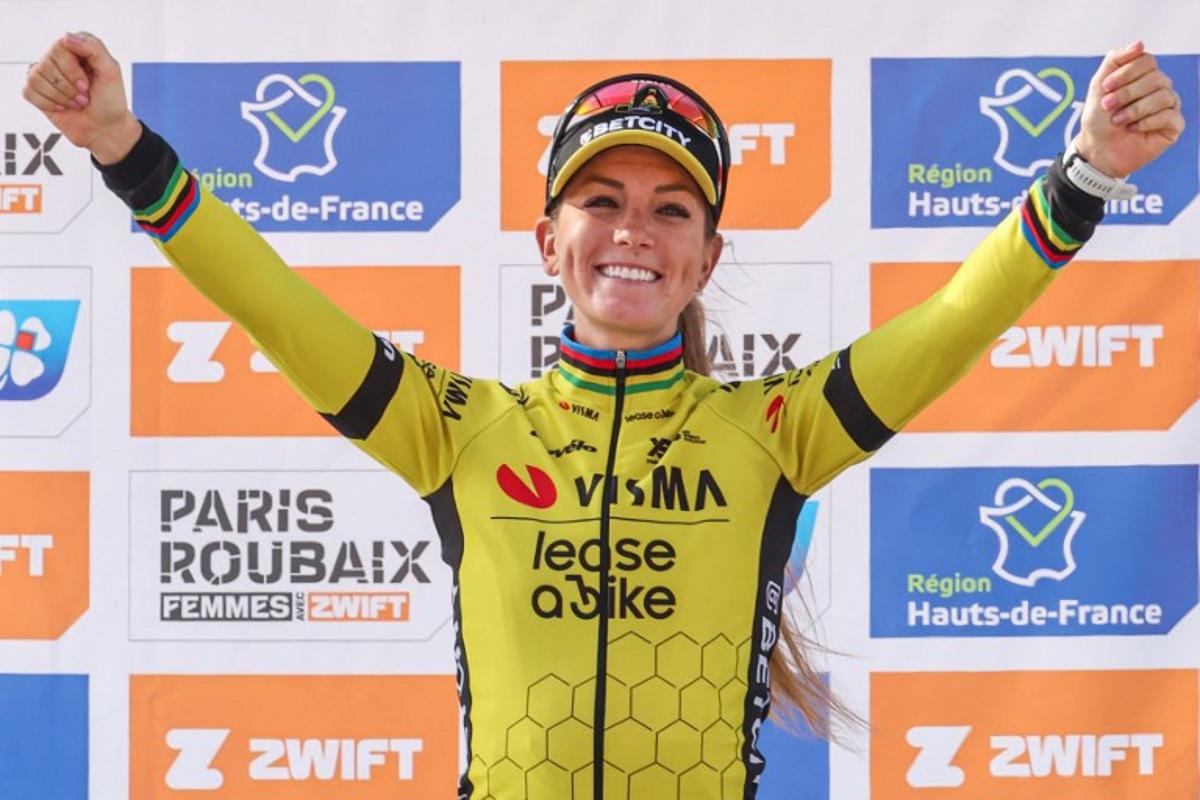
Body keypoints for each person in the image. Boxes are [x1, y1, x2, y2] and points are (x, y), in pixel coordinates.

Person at [24, 32, 1184, 800]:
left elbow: (957, 319)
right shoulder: (458, 428)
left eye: (673, 208)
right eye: (602, 198)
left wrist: (1085, 174)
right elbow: (272, 303)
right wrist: (124, 150)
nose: (635, 228)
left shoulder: (777, 431)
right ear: (547, 240)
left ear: (708, 253)